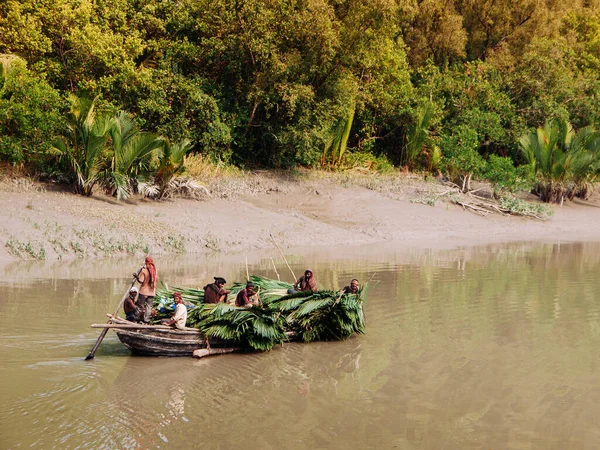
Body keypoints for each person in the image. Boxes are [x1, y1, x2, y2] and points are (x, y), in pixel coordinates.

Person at [134, 256, 158, 323]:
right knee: (149, 307)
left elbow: (141, 281)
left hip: (143, 292)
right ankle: (146, 320)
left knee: (140, 306)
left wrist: (136, 277)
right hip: (152, 292)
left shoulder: (144, 271)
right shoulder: (155, 270)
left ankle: (136, 319)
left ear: (146, 262)